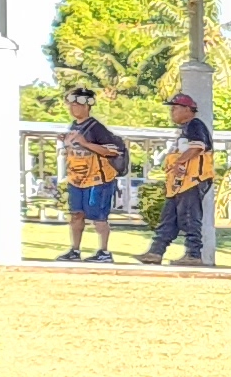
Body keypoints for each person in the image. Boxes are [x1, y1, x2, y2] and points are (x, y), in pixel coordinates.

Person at [55, 90, 131, 262]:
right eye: (72, 104)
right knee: (76, 214)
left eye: (79, 105)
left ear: (88, 106)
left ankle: (104, 251)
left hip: (98, 180)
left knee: (99, 217)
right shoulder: (74, 126)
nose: (75, 108)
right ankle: (75, 250)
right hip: (77, 179)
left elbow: (111, 151)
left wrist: (85, 143)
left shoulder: (96, 128)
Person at [146, 100, 219, 267]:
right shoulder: (184, 129)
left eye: (176, 108)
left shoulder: (194, 125)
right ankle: (155, 252)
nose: (172, 112)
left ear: (188, 109)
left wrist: (179, 162)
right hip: (180, 182)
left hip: (192, 180)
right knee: (169, 217)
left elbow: (197, 147)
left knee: (189, 216)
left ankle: (193, 254)